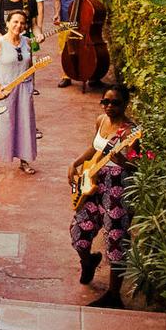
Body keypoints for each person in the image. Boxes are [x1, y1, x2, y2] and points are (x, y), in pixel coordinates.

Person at [68, 84, 138, 308]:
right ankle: (89, 261)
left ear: (125, 104)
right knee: (79, 231)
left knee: (116, 240)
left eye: (115, 103)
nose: (109, 107)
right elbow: (95, 146)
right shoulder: (101, 120)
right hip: (94, 186)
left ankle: (114, 295)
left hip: (117, 190)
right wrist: (76, 163)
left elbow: (137, 167)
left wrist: (121, 161)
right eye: (105, 102)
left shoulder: (130, 132)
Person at [0, 10, 38, 175]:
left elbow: (31, 68)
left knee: (25, 123)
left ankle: (24, 159)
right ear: (7, 24)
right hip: (5, 90)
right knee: (0, 125)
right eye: (15, 22)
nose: (18, 25)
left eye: (22, 23)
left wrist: (32, 87)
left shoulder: (27, 42)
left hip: (24, 88)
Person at [53, 0, 96, 88]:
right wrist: (57, 14)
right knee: (65, 47)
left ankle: (91, 73)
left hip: (83, 15)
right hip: (66, 16)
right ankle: (66, 75)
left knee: (88, 47)